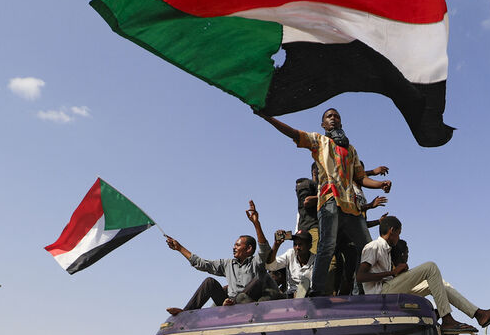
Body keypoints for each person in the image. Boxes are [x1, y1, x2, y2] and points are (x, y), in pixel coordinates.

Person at [259, 108, 392, 296]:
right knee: (327, 246)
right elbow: (295, 134)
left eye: (337, 116)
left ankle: (367, 290)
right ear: (323, 124)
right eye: (329, 116)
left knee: (367, 248)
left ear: (341, 123)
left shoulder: (351, 149)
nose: (334, 119)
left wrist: (380, 184)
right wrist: (270, 118)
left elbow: (360, 178)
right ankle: (318, 290)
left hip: (352, 208)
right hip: (330, 201)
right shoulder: (319, 141)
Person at [356, 215, 490, 334]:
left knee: (438, 283)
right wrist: (392, 272)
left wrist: (398, 274)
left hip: (389, 291)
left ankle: (479, 314)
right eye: (399, 233)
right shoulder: (373, 246)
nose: (398, 238)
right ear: (392, 230)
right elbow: (360, 277)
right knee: (430, 267)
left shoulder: (387, 250)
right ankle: (447, 319)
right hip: (381, 295)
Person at [164, 202, 276, 314]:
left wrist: (256, 223)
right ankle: (185, 314)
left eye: (237, 245)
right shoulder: (227, 264)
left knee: (260, 276)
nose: (234, 247)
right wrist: (180, 248)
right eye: (234, 245)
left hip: (248, 304)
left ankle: (235, 302)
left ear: (248, 249)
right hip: (228, 303)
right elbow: (202, 264)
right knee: (209, 282)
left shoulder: (256, 262)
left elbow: (264, 249)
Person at [266, 229, 316, 298]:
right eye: (295, 244)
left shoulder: (315, 260)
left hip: (309, 297)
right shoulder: (290, 253)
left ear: (309, 246)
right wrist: (276, 244)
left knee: (305, 282)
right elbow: (270, 266)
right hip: (290, 295)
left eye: (300, 244)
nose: (297, 247)